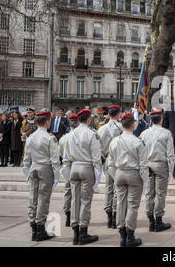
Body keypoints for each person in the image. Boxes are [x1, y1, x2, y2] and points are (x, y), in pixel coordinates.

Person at [108, 112, 149, 247]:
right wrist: (145, 180)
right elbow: (143, 164)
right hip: (133, 174)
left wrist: (115, 175)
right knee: (132, 205)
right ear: (133, 125)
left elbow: (110, 163)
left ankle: (122, 235)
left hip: (119, 173)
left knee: (120, 203)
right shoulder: (138, 142)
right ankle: (130, 236)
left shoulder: (114, 141)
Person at [62, 109, 101, 245]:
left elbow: (66, 157)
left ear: (78, 120)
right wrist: (97, 176)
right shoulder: (92, 134)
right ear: (89, 119)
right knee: (85, 201)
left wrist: (67, 173)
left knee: (74, 200)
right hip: (86, 167)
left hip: (74, 167)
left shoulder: (70, 135)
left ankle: (75, 233)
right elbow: (97, 158)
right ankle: (83, 232)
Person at [22, 110, 60, 242]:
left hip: (34, 167)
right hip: (45, 168)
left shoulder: (30, 137)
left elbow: (26, 158)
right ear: (47, 122)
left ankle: (33, 226)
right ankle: (40, 229)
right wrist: (56, 176)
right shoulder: (50, 138)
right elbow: (55, 159)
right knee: (43, 199)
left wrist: (27, 173)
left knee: (33, 197)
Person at [140, 109, 174, 233]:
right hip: (160, 164)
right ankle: (158, 220)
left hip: (148, 164)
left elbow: (141, 153)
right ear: (161, 119)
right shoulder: (166, 133)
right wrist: (171, 170)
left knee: (149, 193)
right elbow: (170, 154)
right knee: (160, 193)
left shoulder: (144, 134)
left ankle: (151, 220)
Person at [98, 105, 123, 229]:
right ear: (118, 114)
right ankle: (115, 215)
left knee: (109, 187)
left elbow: (99, 147)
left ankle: (109, 216)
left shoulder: (102, 128)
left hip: (107, 158)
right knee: (117, 188)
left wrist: (103, 159)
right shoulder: (121, 127)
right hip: (119, 159)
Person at [58, 114, 79, 227]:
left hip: (67, 166)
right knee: (77, 193)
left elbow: (60, 153)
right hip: (77, 165)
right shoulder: (81, 136)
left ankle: (68, 215)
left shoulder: (63, 138)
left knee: (68, 191)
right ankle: (76, 216)